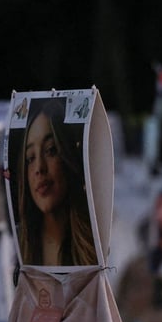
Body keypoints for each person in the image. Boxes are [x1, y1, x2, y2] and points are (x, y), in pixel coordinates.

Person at [16, 98, 97, 267]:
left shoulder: (98, 238)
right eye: (30, 158)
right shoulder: (15, 248)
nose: (39, 168)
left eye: (51, 150)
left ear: (68, 154)